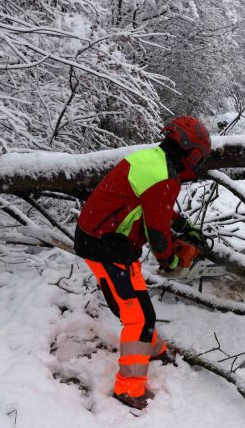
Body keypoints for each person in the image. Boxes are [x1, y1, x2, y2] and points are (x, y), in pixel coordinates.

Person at [74, 115, 210, 410]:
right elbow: (157, 232)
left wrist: (184, 226)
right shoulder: (164, 177)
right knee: (137, 316)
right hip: (106, 247)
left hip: (106, 242)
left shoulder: (154, 160)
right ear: (191, 152)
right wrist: (172, 258)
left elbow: (153, 206)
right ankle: (129, 388)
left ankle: (151, 347)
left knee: (136, 304)